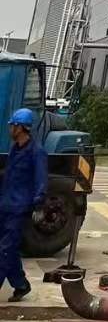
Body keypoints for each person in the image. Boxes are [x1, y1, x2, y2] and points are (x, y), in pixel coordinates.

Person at [0, 107, 48, 303]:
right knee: (8, 250)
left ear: (20, 128)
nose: (10, 128)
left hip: (19, 209)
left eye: (12, 125)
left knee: (4, 250)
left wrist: (37, 205)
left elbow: (41, 181)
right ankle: (21, 285)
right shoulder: (15, 149)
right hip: (6, 205)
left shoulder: (37, 152)